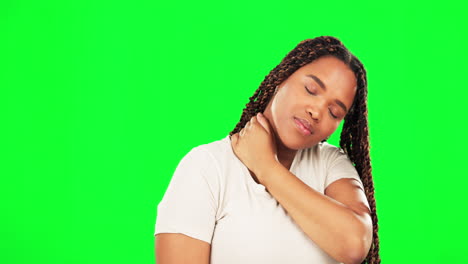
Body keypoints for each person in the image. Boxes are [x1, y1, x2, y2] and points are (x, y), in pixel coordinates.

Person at [154, 36, 381, 264]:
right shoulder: (207, 166)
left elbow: (354, 245)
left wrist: (267, 168)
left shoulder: (331, 164)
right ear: (282, 77)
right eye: (311, 89)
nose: (317, 111)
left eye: (334, 112)